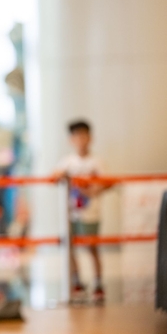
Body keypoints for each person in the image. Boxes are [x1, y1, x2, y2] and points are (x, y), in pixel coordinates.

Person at [53, 120, 108, 303]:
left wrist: (90, 190)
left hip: (91, 212)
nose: (80, 140)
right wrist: (62, 175)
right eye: (76, 136)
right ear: (71, 140)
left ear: (90, 138)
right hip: (71, 214)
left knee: (92, 248)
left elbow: (106, 183)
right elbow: (54, 175)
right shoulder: (68, 161)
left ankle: (98, 283)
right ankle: (76, 282)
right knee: (70, 248)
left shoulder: (97, 161)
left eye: (83, 136)